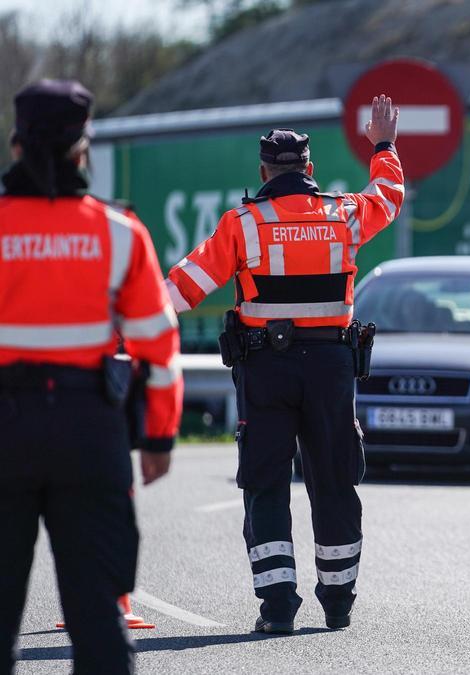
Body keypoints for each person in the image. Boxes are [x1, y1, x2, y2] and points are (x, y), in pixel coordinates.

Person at [164, 95, 404, 634]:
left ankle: (277, 608)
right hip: (331, 370)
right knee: (335, 479)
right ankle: (338, 602)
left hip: (265, 371)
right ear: (310, 170)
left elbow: (184, 289)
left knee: (266, 482)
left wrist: (121, 317)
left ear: (264, 171)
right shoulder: (343, 216)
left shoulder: (241, 225)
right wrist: (383, 145)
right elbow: (388, 198)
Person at [0, 80, 183, 674]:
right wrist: (157, 439)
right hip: (90, 435)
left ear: (17, 147)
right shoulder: (120, 233)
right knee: (99, 619)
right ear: (84, 151)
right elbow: (158, 343)